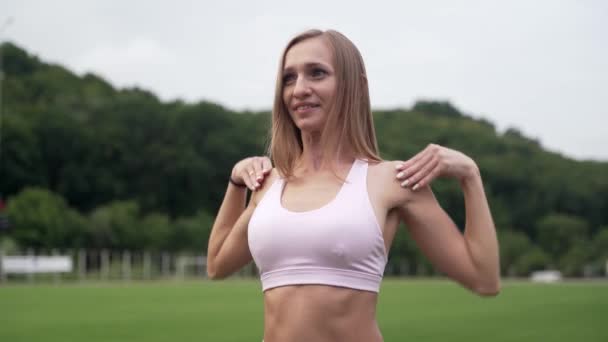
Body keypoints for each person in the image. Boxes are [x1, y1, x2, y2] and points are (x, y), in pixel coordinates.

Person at [207, 29, 500, 342]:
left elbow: (484, 279)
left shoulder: (391, 181)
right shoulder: (268, 185)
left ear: (355, 86)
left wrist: (471, 176)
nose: (300, 89)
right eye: (289, 78)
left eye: (317, 73)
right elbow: (217, 265)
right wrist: (236, 183)